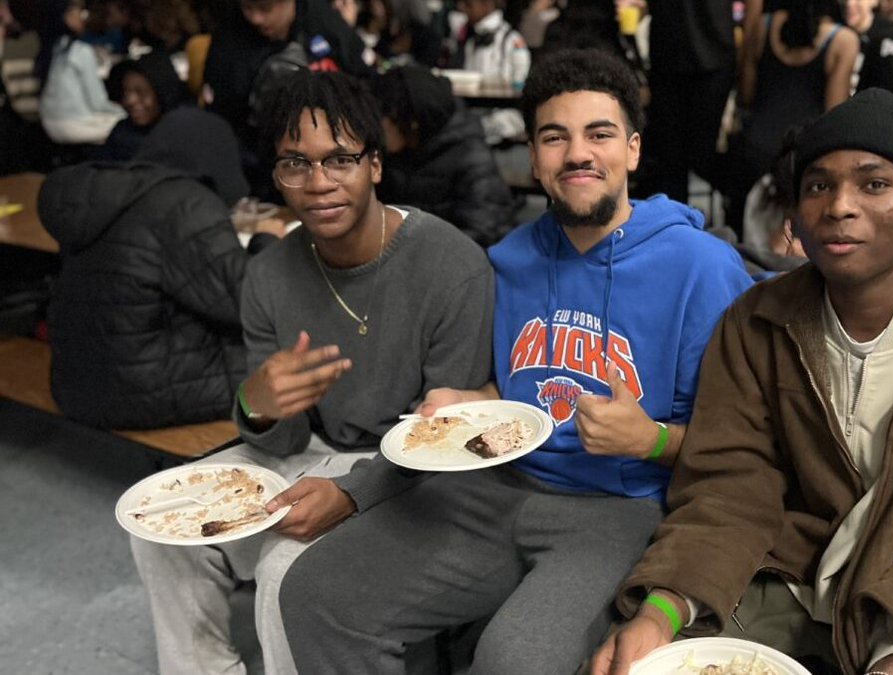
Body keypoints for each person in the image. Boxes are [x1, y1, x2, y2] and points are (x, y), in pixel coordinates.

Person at [277, 48, 753, 674]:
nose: (577, 153)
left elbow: (743, 451)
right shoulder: (506, 259)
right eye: (554, 137)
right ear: (533, 157)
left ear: (632, 150)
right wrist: (470, 402)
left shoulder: (703, 269)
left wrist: (652, 439)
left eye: (599, 134)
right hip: (493, 487)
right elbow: (510, 384)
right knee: (317, 595)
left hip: (619, 509)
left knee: (515, 660)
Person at [591, 88, 893, 675]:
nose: (839, 206)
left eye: (875, 184)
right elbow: (728, 486)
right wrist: (664, 610)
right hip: (782, 579)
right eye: (818, 186)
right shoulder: (756, 323)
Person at [128, 70, 494, 675]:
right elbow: (283, 440)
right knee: (159, 527)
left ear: (375, 165)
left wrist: (352, 495)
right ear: (276, 175)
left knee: (286, 569)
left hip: (408, 474)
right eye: (295, 164)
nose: (319, 183)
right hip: (309, 454)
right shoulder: (270, 273)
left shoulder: (452, 264)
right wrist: (259, 405)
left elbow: (447, 445)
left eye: (340, 160)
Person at [37, 105, 265, 429]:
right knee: (286, 357)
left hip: (75, 381)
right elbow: (247, 302)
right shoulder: (185, 203)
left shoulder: (106, 195)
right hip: (138, 390)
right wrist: (265, 243)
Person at [726, 0, 859, 232]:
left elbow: (746, 93)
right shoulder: (843, 41)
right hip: (803, 161)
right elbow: (834, 115)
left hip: (753, 155)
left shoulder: (763, 26)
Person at [202, 0, 370, 184]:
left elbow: (362, 83)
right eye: (247, 8)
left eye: (265, 8)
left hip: (336, 150)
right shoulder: (229, 38)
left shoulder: (323, 21)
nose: (256, 18)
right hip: (257, 163)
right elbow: (220, 116)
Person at [370, 63, 516, 246]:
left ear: (409, 122)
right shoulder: (397, 152)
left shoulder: (469, 155)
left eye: (381, 123)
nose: (376, 132)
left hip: (451, 260)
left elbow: (485, 230)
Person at [634, 0, 736, 202]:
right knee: (671, 161)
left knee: (698, 159)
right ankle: (677, 224)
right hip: (673, 53)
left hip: (709, 53)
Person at [37, 0, 127, 144]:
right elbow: (98, 103)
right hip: (76, 125)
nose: (84, 17)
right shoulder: (80, 51)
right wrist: (125, 111)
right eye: (80, 12)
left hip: (50, 124)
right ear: (65, 17)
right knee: (128, 125)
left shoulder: (52, 48)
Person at [448, 0, 531, 144]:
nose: (462, 9)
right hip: (474, 111)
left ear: (485, 4)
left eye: (469, 4)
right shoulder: (470, 41)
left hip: (504, 114)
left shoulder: (512, 41)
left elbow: (520, 87)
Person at [98, 49, 190, 160]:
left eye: (141, 92)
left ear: (163, 94)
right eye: (125, 92)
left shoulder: (185, 136)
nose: (130, 101)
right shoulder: (122, 133)